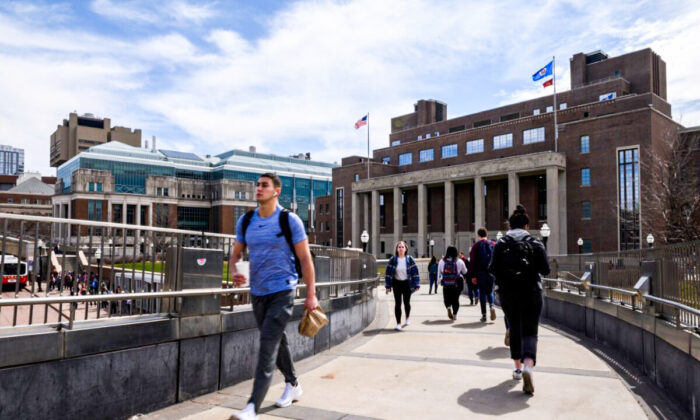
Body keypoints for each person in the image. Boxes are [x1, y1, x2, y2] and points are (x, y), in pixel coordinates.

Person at [229, 173, 318, 420]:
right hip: (258, 293)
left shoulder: (289, 220)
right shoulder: (246, 221)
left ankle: (251, 408)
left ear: (276, 191)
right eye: (257, 185)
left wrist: (311, 295)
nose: (258, 188)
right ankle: (293, 383)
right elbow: (235, 254)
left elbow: (305, 259)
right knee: (277, 341)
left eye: (264, 185)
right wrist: (235, 270)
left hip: (283, 291)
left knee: (267, 347)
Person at [489, 205, 550, 395]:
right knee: (530, 331)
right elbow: (546, 270)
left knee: (514, 328)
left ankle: (517, 368)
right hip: (531, 291)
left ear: (510, 225)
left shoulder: (501, 243)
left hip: (509, 294)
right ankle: (528, 367)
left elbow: (492, 269)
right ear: (526, 225)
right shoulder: (535, 242)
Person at [384, 241, 420, 331]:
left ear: (405, 249)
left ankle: (407, 318)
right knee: (398, 303)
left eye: (402, 247)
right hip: (397, 283)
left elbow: (415, 272)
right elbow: (388, 274)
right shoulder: (393, 260)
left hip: (407, 283)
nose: (400, 249)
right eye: (399, 247)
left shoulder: (409, 259)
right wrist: (388, 286)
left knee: (406, 303)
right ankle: (398, 323)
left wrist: (416, 284)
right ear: (397, 249)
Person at [469, 228, 497, 323]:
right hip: (491, 273)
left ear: (478, 235)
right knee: (490, 291)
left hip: (480, 273)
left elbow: (472, 262)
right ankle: (492, 305)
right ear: (487, 234)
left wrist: (473, 276)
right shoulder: (493, 244)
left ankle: (484, 315)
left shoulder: (475, 246)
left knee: (482, 293)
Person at [439, 246, 467, 320]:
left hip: (446, 283)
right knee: (456, 299)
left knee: (446, 298)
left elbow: (439, 273)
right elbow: (465, 272)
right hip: (457, 283)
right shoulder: (460, 261)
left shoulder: (442, 261)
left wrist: (439, 281)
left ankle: (448, 307)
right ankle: (454, 315)